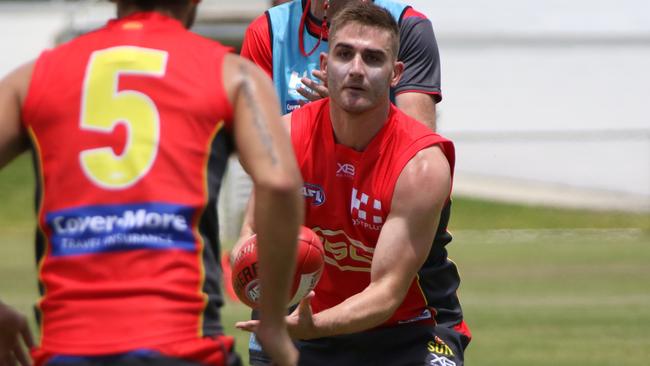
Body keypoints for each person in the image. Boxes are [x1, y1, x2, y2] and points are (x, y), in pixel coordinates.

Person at [0, 0, 304, 365]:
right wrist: (271, 320)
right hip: (182, 345)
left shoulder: (33, 76)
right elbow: (280, 183)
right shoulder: (232, 75)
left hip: (67, 346)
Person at [235, 3, 471, 365]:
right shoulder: (283, 139)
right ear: (326, 65)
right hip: (314, 323)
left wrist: (312, 326)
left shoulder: (421, 165)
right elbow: (252, 229)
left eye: (373, 59)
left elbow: (387, 292)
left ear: (396, 74)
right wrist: (249, 268)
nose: (357, 70)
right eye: (345, 54)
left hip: (413, 327)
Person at [241, 0, 442, 131]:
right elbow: (252, 147)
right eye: (345, 54)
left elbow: (418, 145)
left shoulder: (407, 27)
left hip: (377, 186)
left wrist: (348, 112)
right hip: (299, 187)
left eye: (372, 57)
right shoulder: (268, 30)